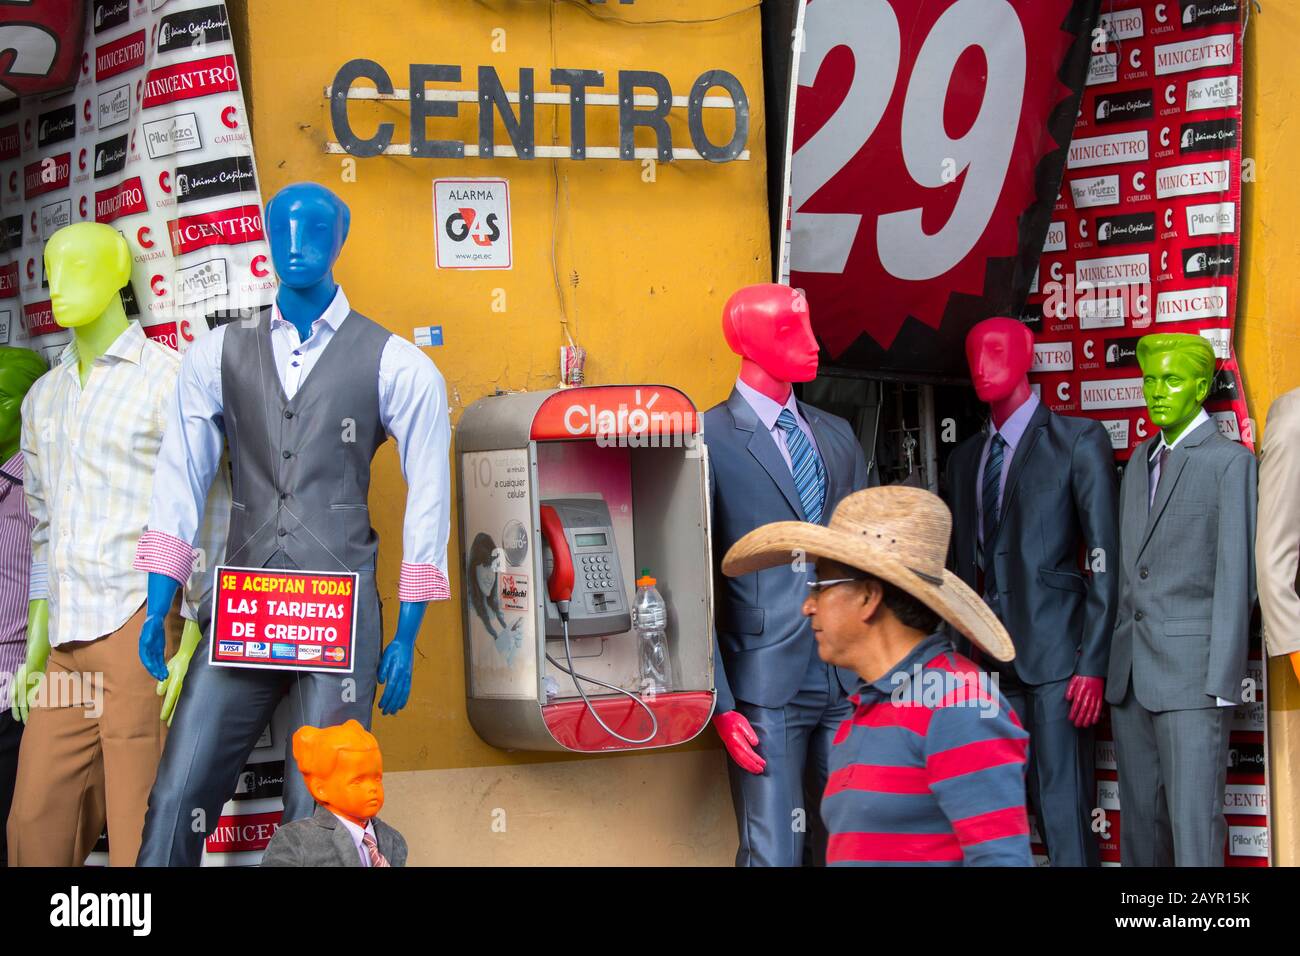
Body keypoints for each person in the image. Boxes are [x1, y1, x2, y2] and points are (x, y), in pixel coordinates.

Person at [721, 485, 1032, 866]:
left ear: (869, 598)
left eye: (820, 585)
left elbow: (1001, 859)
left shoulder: (959, 705)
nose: (808, 605)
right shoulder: (865, 707)